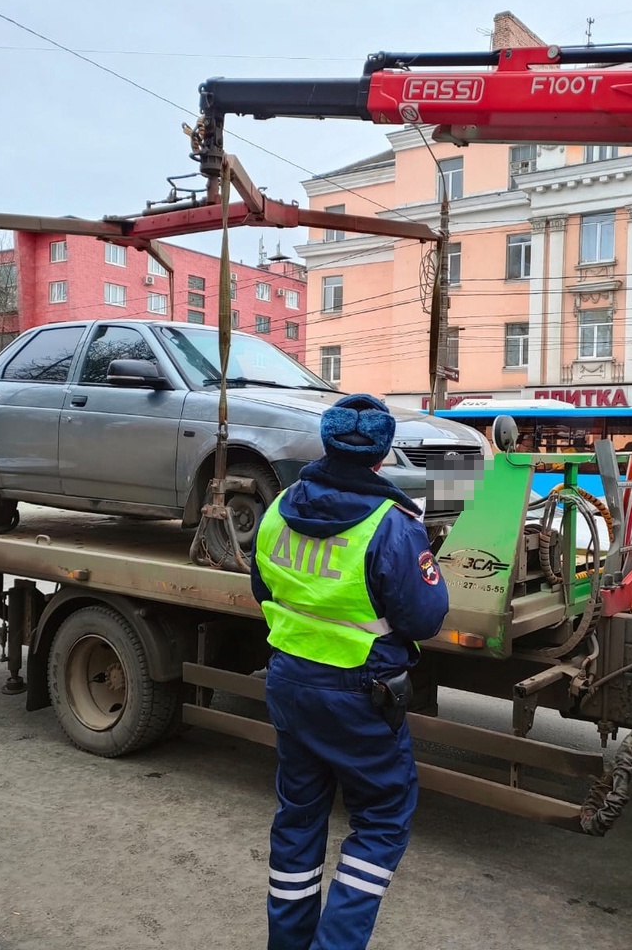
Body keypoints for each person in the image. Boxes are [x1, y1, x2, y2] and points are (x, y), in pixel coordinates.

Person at [250, 393, 450, 950]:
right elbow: (424, 618)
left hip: (289, 681)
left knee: (298, 817)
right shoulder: (393, 524)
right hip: (361, 692)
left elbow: (262, 588)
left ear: (326, 441)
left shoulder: (279, 506)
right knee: (382, 821)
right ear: (382, 456)